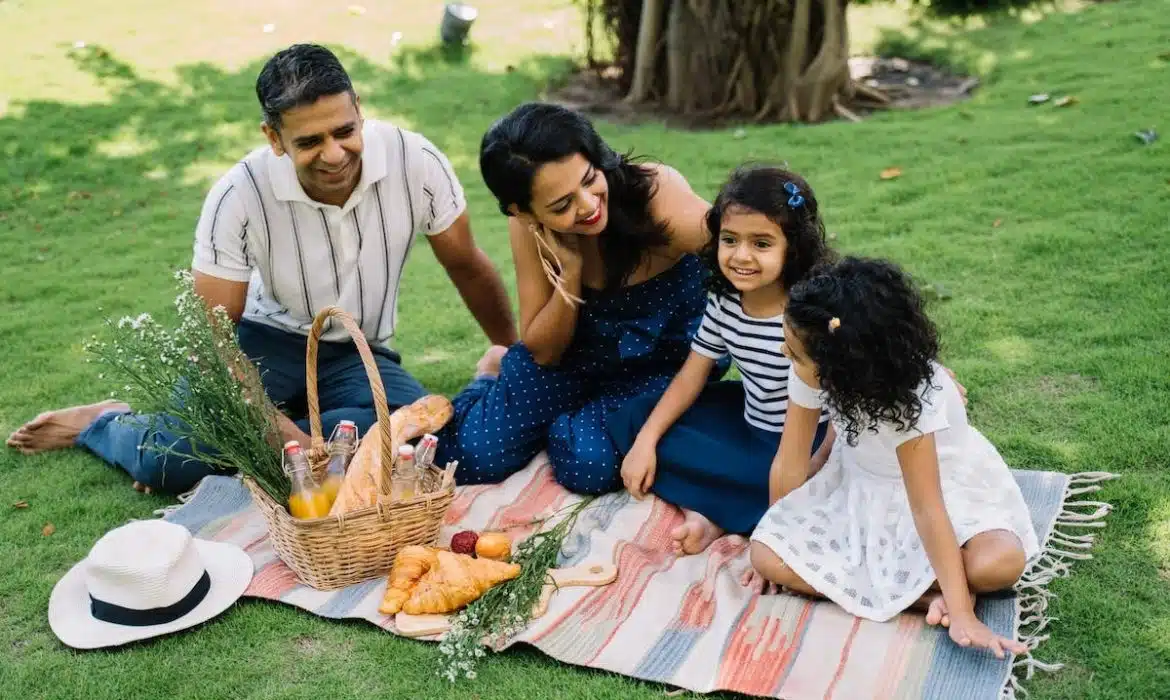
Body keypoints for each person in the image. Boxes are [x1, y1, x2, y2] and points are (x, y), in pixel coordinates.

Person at [6, 44, 517, 494]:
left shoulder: (416, 161)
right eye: (310, 141)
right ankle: (107, 421)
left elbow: (467, 266)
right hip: (258, 343)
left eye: (344, 131)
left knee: (417, 439)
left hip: (357, 350)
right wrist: (282, 437)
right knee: (166, 463)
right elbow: (215, 341)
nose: (334, 154)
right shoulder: (237, 195)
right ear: (274, 138)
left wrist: (510, 353)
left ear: (359, 111)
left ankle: (248, 437)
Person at [749, 256, 1039, 659]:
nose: (785, 354)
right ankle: (922, 599)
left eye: (795, 352)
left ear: (842, 364)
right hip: (861, 485)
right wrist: (783, 531)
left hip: (938, 491)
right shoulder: (806, 366)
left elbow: (927, 507)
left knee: (1000, 563)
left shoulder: (912, 400)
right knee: (764, 554)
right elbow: (790, 461)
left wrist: (961, 615)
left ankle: (945, 594)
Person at [434, 102, 725, 494]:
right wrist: (569, 276)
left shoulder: (656, 195)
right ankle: (492, 375)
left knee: (587, 466)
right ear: (523, 211)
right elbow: (543, 351)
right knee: (470, 458)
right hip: (573, 360)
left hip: (660, 362)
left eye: (589, 180)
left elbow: (743, 256)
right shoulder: (528, 229)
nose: (588, 205)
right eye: (562, 205)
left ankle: (568, 418)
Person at [608, 166, 836, 555]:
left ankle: (712, 514)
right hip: (748, 422)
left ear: (792, 248)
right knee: (634, 418)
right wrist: (646, 441)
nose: (741, 256)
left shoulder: (815, 311)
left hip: (807, 444)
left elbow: (855, 392)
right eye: (730, 240)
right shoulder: (724, 300)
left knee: (793, 486)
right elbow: (691, 375)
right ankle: (726, 508)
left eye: (761, 244)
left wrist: (817, 464)